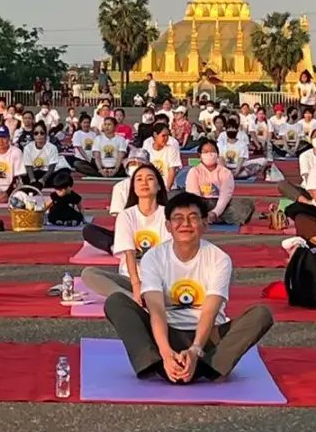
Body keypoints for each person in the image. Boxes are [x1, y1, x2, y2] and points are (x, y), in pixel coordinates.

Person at [103, 192, 274, 382]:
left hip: (208, 335)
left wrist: (195, 349)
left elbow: (210, 311)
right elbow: (156, 309)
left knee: (261, 315)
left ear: (205, 224)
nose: (185, 224)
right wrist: (166, 351)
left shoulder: (219, 258)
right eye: (178, 218)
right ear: (168, 226)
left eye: (193, 218)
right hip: (167, 331)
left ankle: (207, 367)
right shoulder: (153, 257)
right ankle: (157, 363)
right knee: (116, 302)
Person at [82, 162, 170, 298]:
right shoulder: (126, 215)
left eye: (150, 178)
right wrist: (136, 286)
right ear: (133, 187)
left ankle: (145, 298)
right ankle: (132, 298)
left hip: (161, 279)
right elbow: (129, 253)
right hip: (130, 279)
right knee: (89, 274)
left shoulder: (168, 215)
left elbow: (167, 255)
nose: (144, 183)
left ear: (159, 186)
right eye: (139, 179)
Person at [183, 140, 254, 226]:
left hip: (221, 204)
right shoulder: (194, 171)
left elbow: (225, 196)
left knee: (246, 205)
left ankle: (210, 218)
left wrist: (215, 212)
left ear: (217, 153)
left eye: (212, 151)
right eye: (206, 152)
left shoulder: (225, 172)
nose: (209, 154)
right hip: (201, 203)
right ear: (199, 155)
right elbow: (193, 196)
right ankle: (204, 217)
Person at [142, 123, 181, 191]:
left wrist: (167, 189)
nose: (166, 138)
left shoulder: (171, 149)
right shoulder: (147, 148)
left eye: (167, 136)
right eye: (163, 136)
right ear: (155, 135)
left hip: (168, 188)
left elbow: (172, 171)